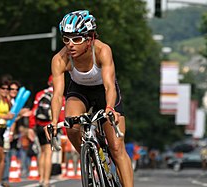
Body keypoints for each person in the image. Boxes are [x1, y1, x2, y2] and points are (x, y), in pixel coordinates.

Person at [44, 10, 133, 187]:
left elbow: (109, 85)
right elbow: (57, 95)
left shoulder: (102, 50)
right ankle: (90, 155)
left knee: (116, 147)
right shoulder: (60, 59)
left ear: (90, 38)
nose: (70, 45)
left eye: (76, 39)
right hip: (79, 90)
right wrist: (54, 121)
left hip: (103, 91)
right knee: (71, 125)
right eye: (66, 39)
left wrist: (109, 109)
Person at [30, 75, 65, 187]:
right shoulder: (59, 96)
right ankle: (46, 180)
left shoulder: (40, 94)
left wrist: (31, 126)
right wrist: (63, 130)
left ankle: (41, 179)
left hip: (39, 126)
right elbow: (61, 115)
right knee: (48, 153)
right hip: (50, 126)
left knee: (42, 152)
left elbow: (34, 111)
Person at [0, 80, 14, 187]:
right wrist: (5, 116)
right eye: (3, 88)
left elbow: (12, 116)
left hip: (3, 130)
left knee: (2, 159)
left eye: (7, 89)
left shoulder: (7, 100)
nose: (5, 91)